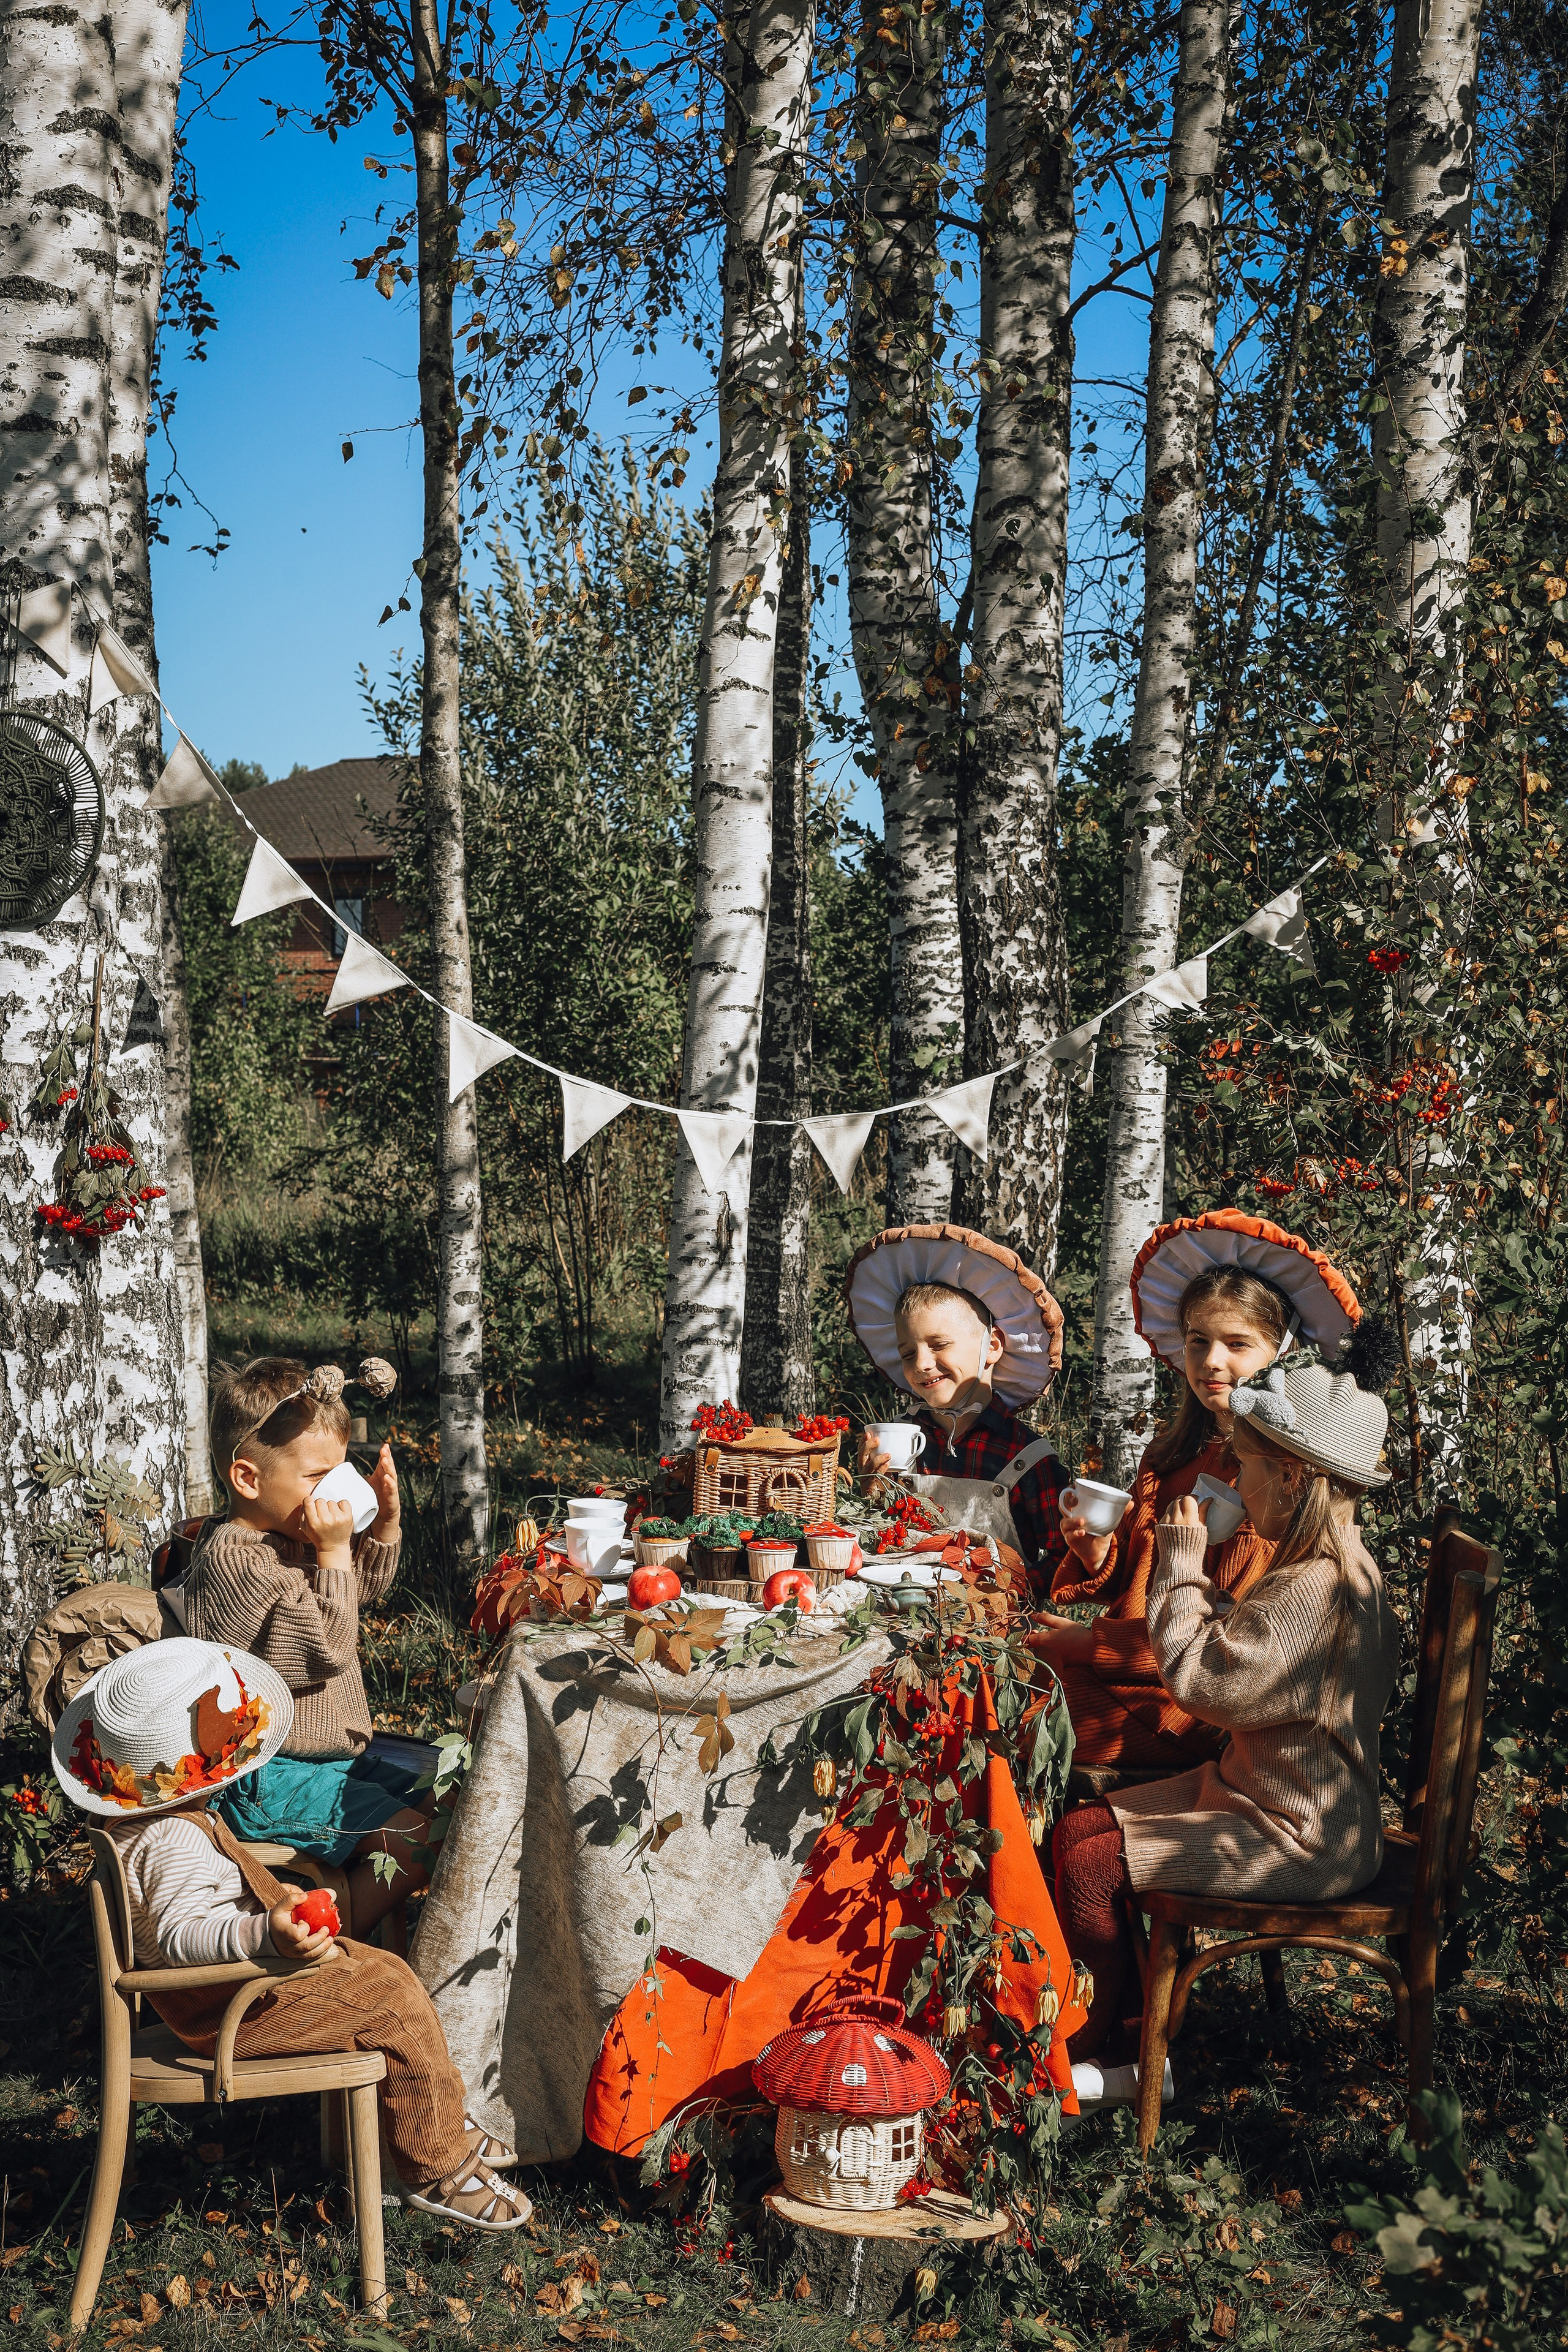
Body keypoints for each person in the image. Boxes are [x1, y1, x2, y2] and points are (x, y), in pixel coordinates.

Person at [53, 1638, 530, 2226]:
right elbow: (182, 1936)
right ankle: (435, 2166)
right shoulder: (171, 1839)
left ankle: (436, 2110)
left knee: (383, 1971)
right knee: (393, 2001)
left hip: (227, 1993)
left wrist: (284, 1908)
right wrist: (265, 1935)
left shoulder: (142, 1822)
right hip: (229, 2008)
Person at [1052, 1327, 1403, 2089]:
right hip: (1261, 1791)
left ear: (1288, 1477)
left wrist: (1180, 1566)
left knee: (1087, 1860)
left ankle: (1114, 2057)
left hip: (1299, 1834)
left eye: (1244, 1466)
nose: (1235, 1483)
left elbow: (1200, 1685)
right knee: (1080, 1828)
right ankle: (1130, 2026)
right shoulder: (1327, 1563)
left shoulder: (1314, 1593)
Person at [1030, 1210, 1363, 1773]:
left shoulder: (1271, 1480)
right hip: (1135, 1674)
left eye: (1237, 1344)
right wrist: (1100, 1555)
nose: (1212, 1361)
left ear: (1281, 1355)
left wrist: (1096, 1646)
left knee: (1014, 1714)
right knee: (996, 1669)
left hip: (1187, 1708)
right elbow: (1149, 1579)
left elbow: (1232, 1639)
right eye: (1197, 1341)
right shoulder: (1176, 1452)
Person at [179, 1357, 431, 1932]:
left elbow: (350, 1594)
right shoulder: (233, 1558)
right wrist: (335, 1552)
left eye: (341, 1469)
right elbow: (326, 1643)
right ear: (248, 1479)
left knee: (450, 1804)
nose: (335, 1489)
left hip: (322, 1758)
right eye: (319, 1477)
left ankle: (363, 1919)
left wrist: (384, 1525)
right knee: (418, 1843)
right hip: (265, 1775)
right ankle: (326, 1943)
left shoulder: (282, 1534)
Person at [841, 1222, 1069, 1593]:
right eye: (908, 1353)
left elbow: (1065, 1559)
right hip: (898, 1617)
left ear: (993, 1346)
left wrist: (1014, 1589)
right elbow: (873, 1542)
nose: (922, 1365)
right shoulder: (900, 1442)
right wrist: (866, 1497)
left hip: (993, 1633)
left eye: (939, 1344)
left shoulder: (1027, 1457)